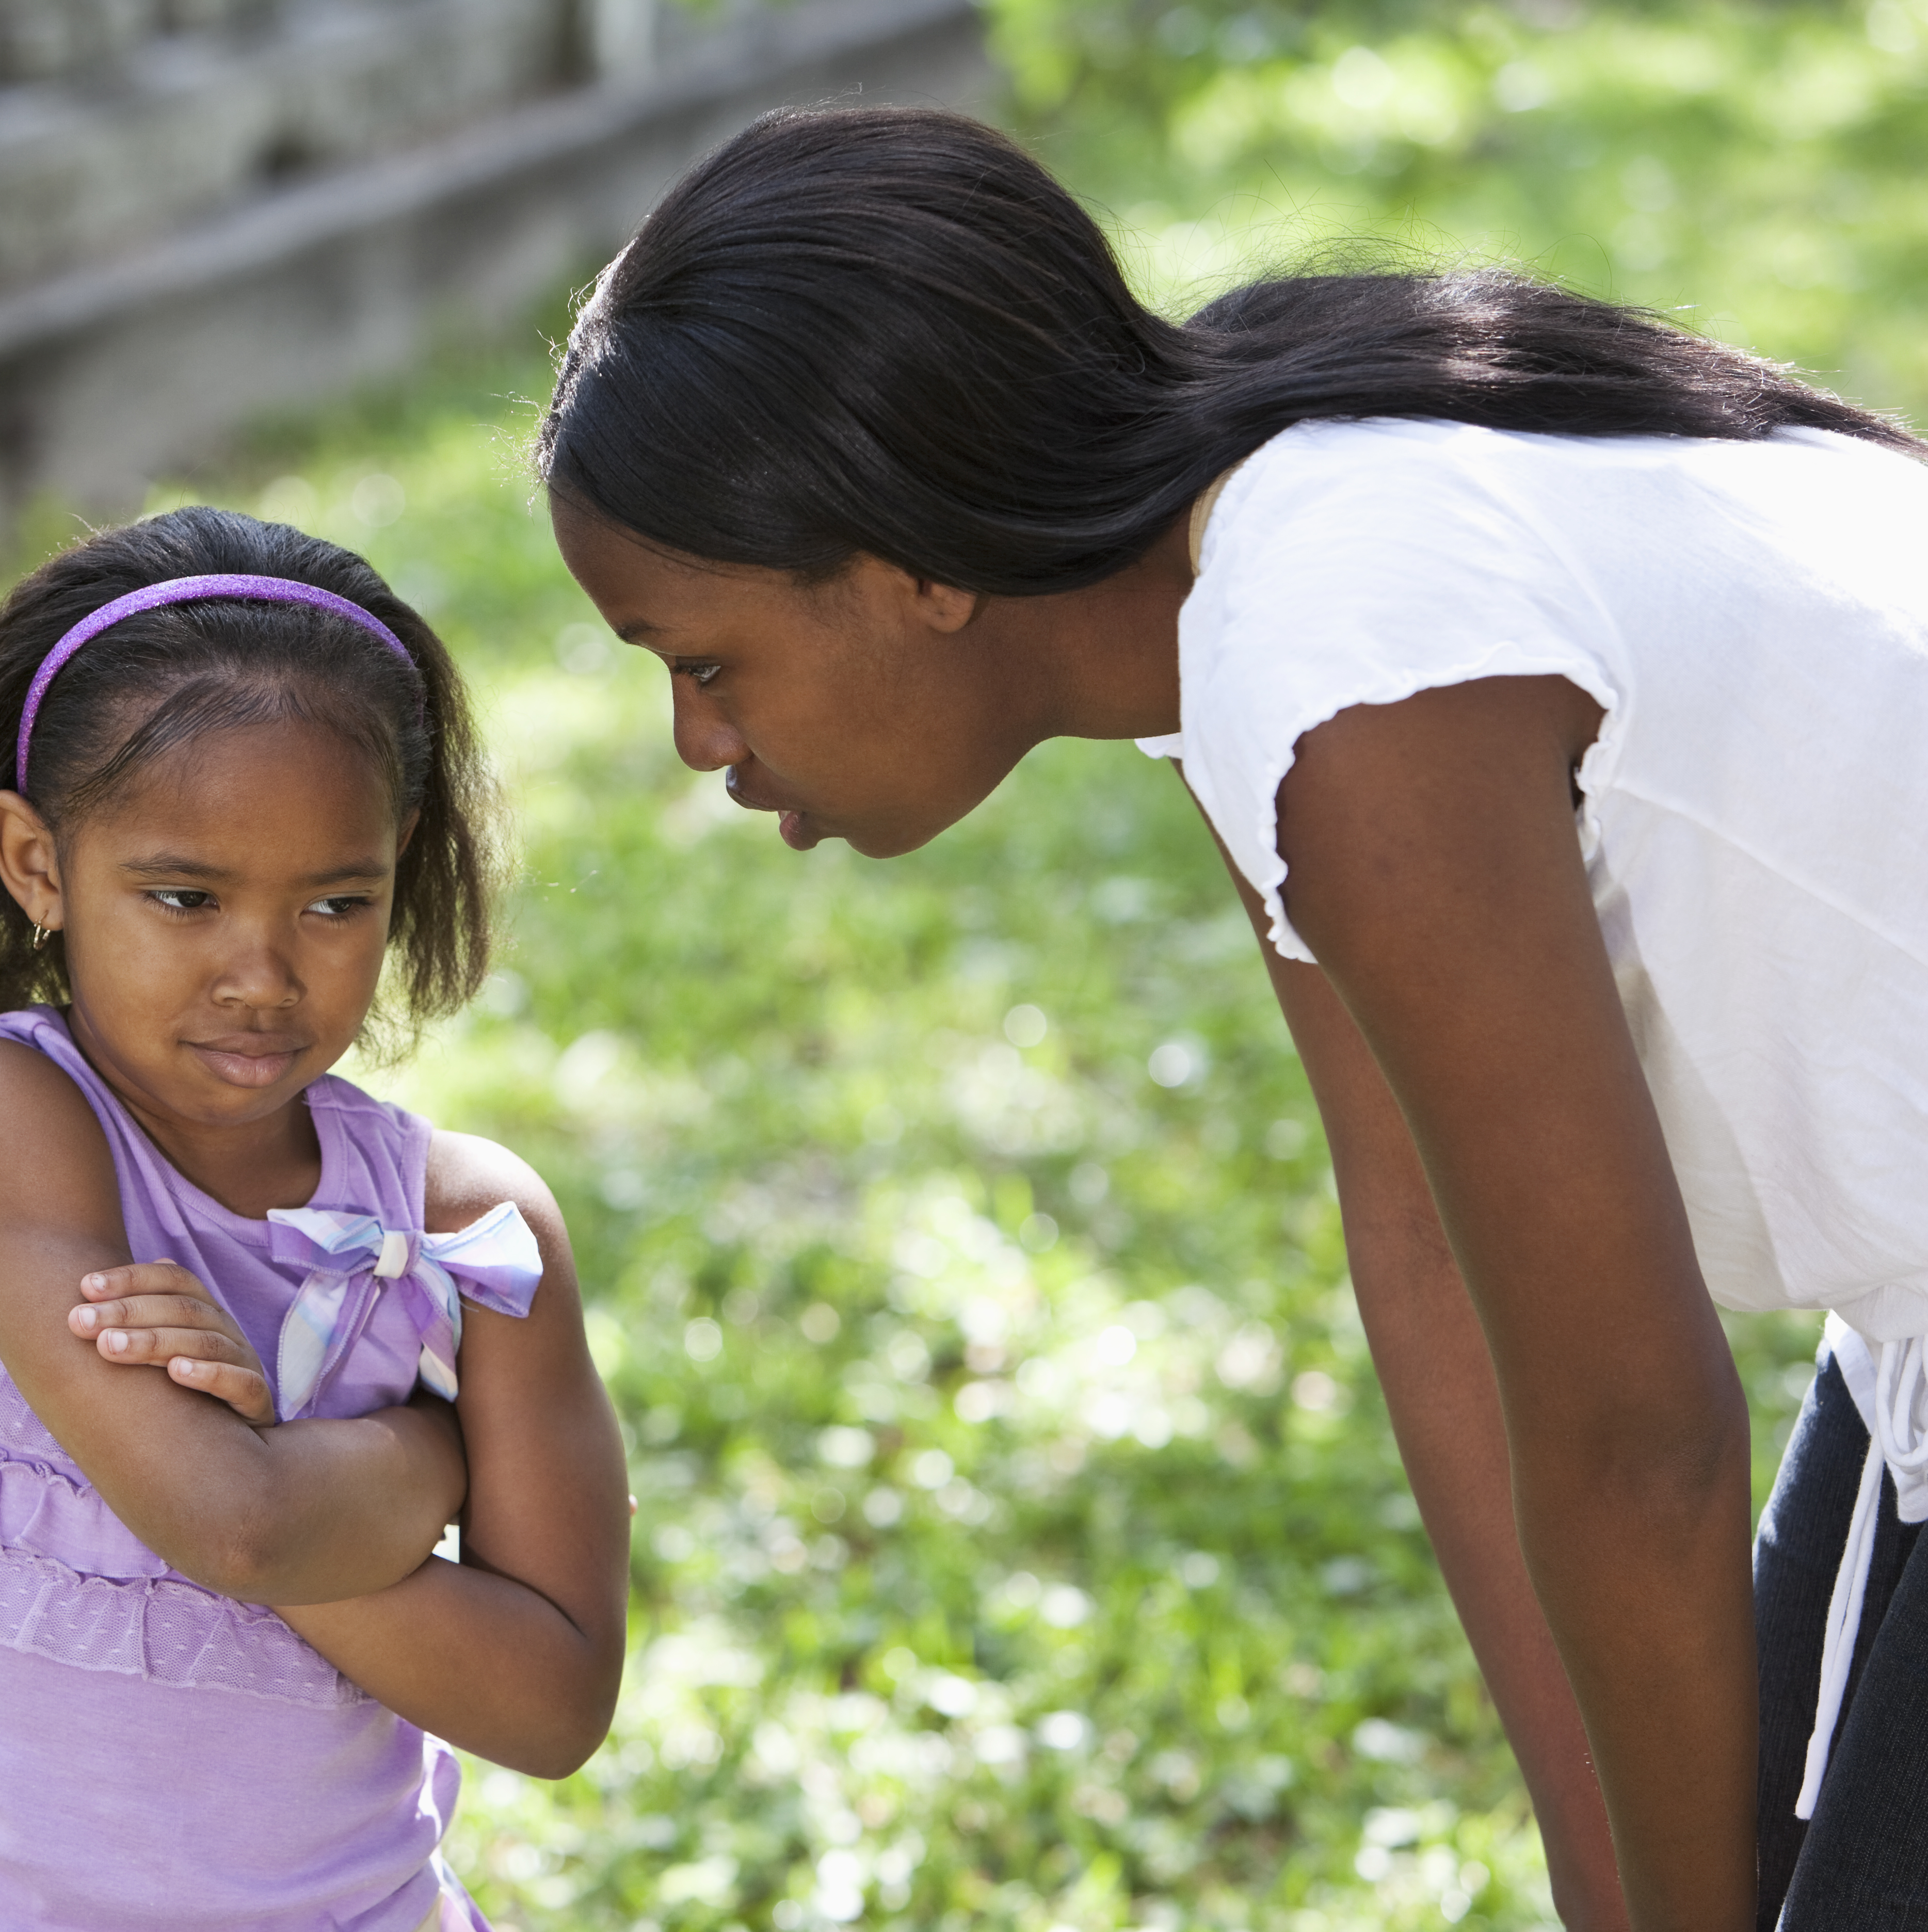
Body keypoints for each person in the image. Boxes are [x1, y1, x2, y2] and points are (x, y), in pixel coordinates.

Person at [534, 103, 1927, 1932]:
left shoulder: (1350, 666)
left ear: (915, 568)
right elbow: (1425, 1249)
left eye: (705, 665)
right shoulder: (1257, 557)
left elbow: (1637, 1439)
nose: (699, 748)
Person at [0, 505, 631, 1931]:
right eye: (185, 897)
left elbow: (553, 1703)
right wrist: (431, 1453)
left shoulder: (470, 1227)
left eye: (336, 901)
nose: (261, 972)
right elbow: (235, 1529)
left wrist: (276, 1474)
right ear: (36, 863)